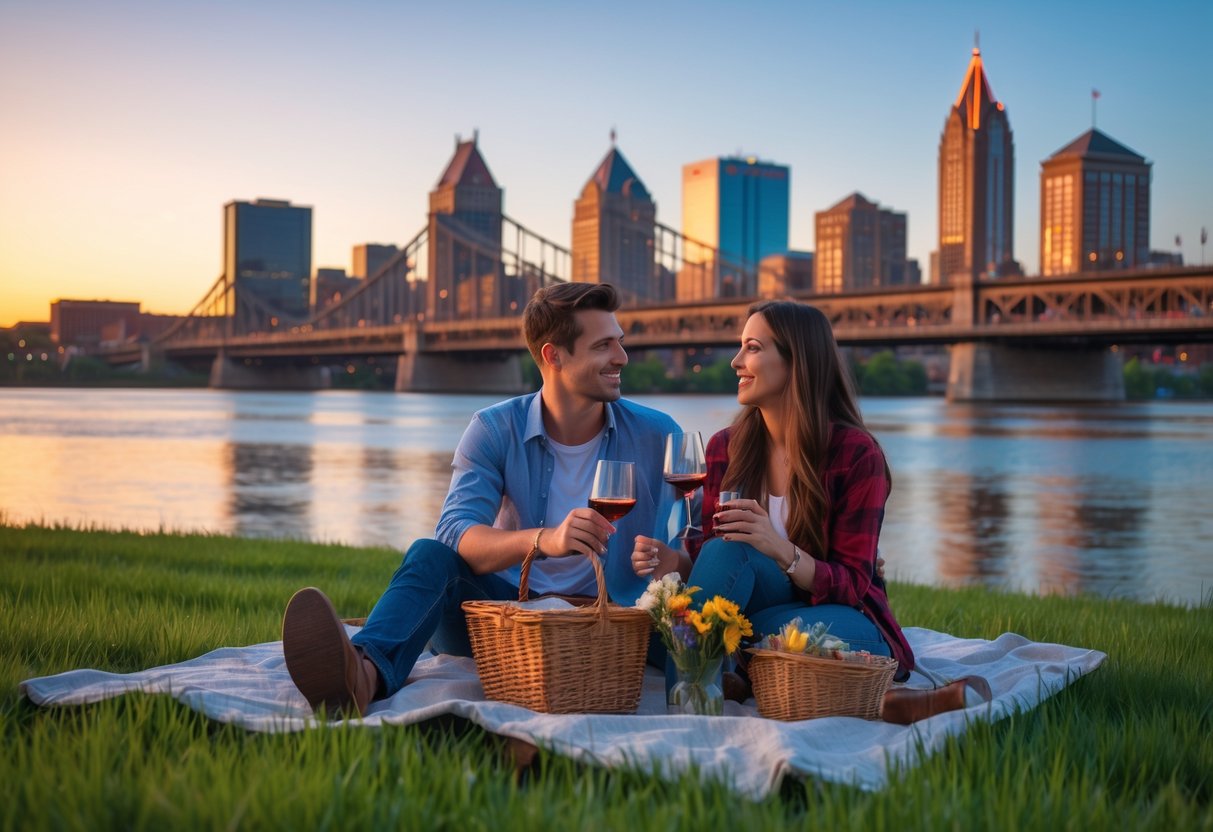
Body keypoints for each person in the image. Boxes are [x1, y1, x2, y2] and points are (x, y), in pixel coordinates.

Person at [282, 282, 680, 716]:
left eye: (619, 342)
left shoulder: (659, 434)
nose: (622, 357)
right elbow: (457, 534)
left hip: (619, 626)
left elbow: (691, 536)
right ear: (553, 356)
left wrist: (671, 557)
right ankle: (359, 679)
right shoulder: (494, 429)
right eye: (604, 345)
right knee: (429, 556)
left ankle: (723, 670)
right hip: (505, 624)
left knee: (690, 621)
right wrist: (545, 539)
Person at [630, 299, 990, 722]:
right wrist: (678, 561)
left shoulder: (856, 455)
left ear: (795, 361)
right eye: (740, 347)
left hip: (844, 616)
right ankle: (706, 687)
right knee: (718, 561)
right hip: (748, 611)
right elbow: (715, 567)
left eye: (753, 348)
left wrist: (780, 549)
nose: (736, 361)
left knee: (698, 629)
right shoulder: (725, 447)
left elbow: (854, 584)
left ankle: (715, 673)